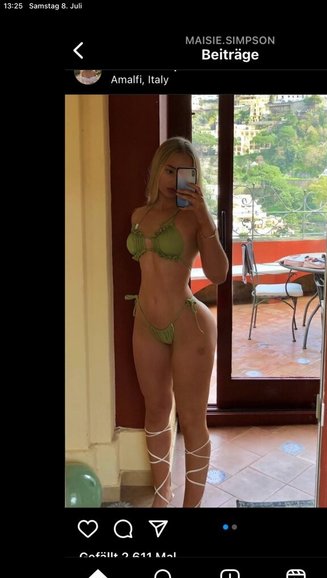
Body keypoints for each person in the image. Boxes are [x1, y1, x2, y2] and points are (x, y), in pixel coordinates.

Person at [125, 137, 229, 507]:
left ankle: (192, 505)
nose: (174, 179)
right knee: (155, 410)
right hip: (145, 322)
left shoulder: (193, 219)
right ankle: (162, 494)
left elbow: (218, 275)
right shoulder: (138, 216)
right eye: (169, 170)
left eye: (184, 172)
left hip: (189, 326)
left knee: (192, 418)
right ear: (157, 170)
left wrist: (205, 218)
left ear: (194, 177)